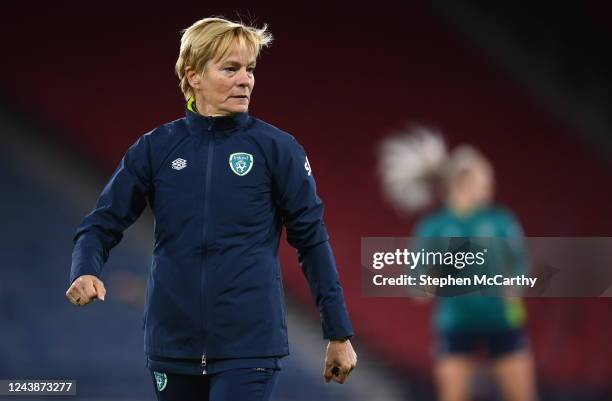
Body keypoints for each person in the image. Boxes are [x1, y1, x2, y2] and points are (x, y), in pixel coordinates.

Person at [65, 17, 357, 401]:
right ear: (194, 75)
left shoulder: (278, 149)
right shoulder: (155, 148)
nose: (246, 80)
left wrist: (338, 332)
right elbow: (101, 225)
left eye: (250, 69)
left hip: (249, 345)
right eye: (231, 69)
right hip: (171, 344)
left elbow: (312, 242)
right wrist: (85, 269)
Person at [378, 127, 536, 401]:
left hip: (501, 320)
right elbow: (417, 288)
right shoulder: (433, 228)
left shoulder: (501, 220)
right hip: (456, 324)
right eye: (485, 178)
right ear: (463, 181)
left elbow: (521, 267)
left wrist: (515, 284)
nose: (491, 185)